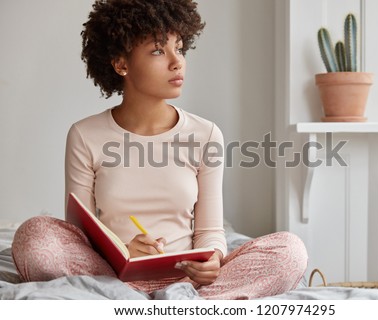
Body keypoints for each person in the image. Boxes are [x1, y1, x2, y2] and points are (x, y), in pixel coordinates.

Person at [11, 0, 308, 299]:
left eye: (179, 48)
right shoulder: (85, 135)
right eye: (157, 50)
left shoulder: (205, 134)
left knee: (290, 251)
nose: (176, 61)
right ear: (121, 64)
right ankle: (150, 301)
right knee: (34, 237)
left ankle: (157, 303)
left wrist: (214, 259)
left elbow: (209, 232)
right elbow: (80, 234)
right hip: (111, 274)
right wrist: (123, 250)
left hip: (188, 280)